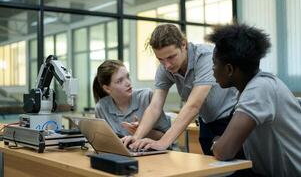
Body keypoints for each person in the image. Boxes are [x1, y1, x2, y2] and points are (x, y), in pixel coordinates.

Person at [122, 24, 240, 156]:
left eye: (171, 57)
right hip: (207, 122)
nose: (166, 65)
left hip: (232, 119)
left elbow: (193, 105)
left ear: (183, 44)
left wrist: (163, 142)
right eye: (160, 59)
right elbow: (155, 106)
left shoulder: (207, 57)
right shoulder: (165, 68)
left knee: (239, 169)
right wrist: (136, 137)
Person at [208, 24, 301, 176]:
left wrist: (216, 143)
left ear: (230, 69)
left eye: (214, 63)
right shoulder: (256, 86)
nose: (212, 68)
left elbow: (224, 151)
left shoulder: (259, 89)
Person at [93, 59, 171, 139]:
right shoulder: (101, 108)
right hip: (121, 151)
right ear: (107, 88)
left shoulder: (146, 97)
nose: (128, 83)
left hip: (155, 150)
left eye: (128, 76)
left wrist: (141, 131)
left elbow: (167, 137)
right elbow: (103, 140)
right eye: (120, 81)